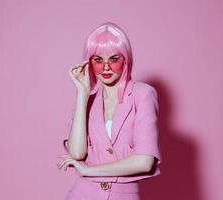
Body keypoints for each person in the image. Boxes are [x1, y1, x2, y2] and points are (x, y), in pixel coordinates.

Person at [57, 22, 162, 200]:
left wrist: (89, 170)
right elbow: (76, 153)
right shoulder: (86, 100)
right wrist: (82, 94)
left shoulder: (142, 95)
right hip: (82, 194)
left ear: (125, 60)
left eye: (113, 59)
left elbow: (144, 161)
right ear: (89, 62)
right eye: (98, 60)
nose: (106, 67)